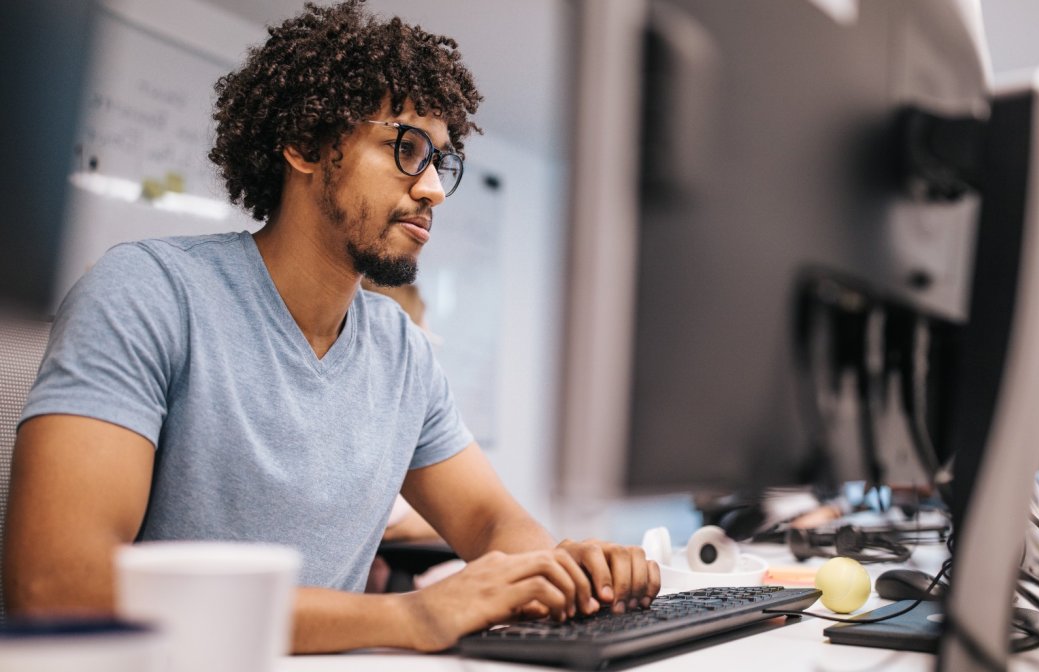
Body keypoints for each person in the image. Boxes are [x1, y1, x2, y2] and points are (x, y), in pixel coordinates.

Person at [3, 0, 659, 654]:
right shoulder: (149, 293)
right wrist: (409, 617)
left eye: (441, 160)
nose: (432, 187)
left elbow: (490, 522)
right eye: (406, 148)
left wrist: (569, 569)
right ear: (305, 145)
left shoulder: (400, 349)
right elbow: (57, 586)